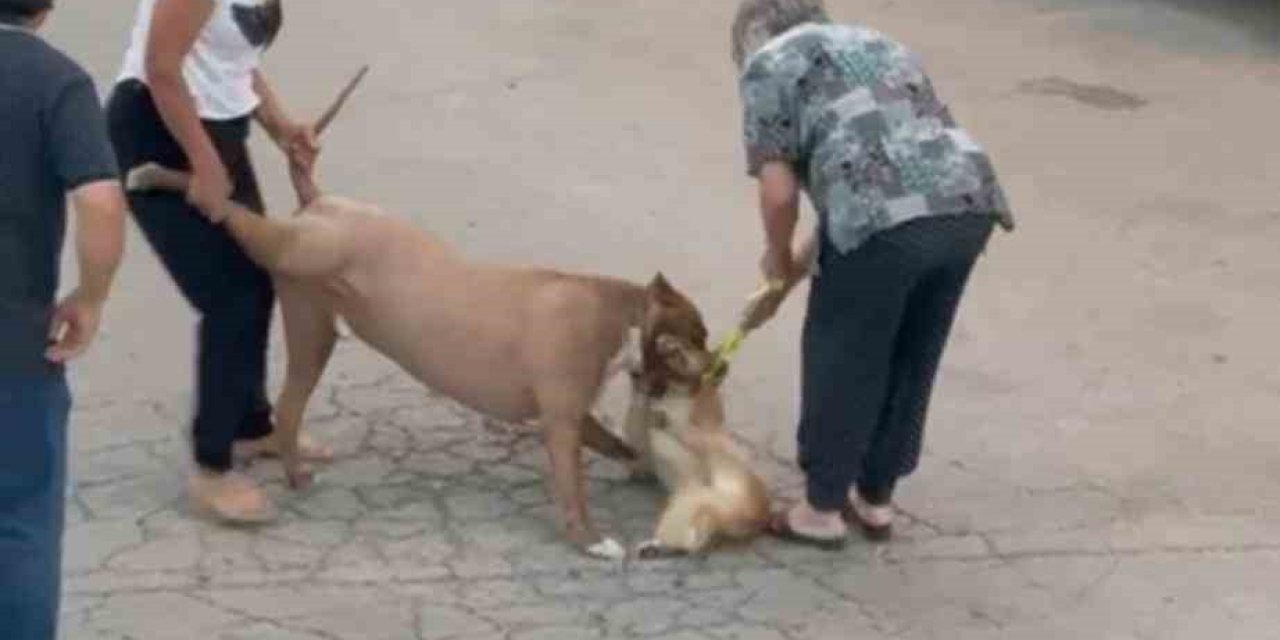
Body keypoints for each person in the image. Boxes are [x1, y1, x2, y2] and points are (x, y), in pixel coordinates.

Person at [731, 0, 1015, 548]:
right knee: (915, 349)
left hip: (882, 218)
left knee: (843, 350)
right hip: (966, 201)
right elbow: (865, 189)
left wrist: (775, 253)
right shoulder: (878, 44)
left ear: (748, 40)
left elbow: (782, 190)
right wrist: (790, 275)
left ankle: (821, 510)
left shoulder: (766, 65)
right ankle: (876, 497)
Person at [106, 0, 329, 525]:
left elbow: (234, 60)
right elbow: (163, 68)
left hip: (217, 130)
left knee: (258, 276)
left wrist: (280, 126)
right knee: (231, 296)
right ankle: (212, 468)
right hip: (157, 133)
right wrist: (204, 164)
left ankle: (251, 426)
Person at [0, 1, 128, 636]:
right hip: (14, 348)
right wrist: (91, 297)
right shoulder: (56, 81)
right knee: (18, 521)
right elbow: (101, 201)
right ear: (45, 9)